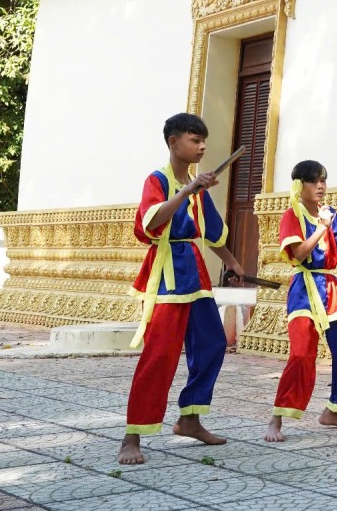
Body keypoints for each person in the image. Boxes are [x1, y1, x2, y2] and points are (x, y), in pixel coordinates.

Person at [119, 113, 244, 465]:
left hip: (196, 275)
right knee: (159, 355)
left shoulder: (197, 187)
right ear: (174, 143)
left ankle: (189, 418)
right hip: (166, 276)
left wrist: (232, 262)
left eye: (203, 140)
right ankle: (132, 435)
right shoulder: (157, 180)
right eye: (194, 139)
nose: (202, 146)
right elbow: (151, 221)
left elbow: (212, 233)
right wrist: (188, 190)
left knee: (213, 344)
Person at [266, 160, 337, 441]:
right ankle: (277, 419)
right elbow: (298, 254)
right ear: (299, 185)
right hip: (304, 289)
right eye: (313, 181)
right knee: (301, 354)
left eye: (323, 180)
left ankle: (333, 410)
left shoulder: (331, 214)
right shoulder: (292, 215)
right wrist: (322, 228)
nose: (320, 186)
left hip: (331, 289)